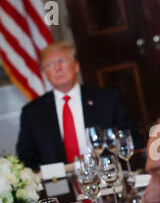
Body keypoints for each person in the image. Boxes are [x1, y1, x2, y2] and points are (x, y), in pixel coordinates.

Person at [16, 41, 143, 170]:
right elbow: (26, 159)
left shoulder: (107, 100)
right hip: (58, 185)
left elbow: (130, 141)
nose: (57, 68)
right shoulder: (32, 112)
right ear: (45, 73)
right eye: (50, 65)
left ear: (76, 66)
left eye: (62, 61)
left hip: (107, 176)